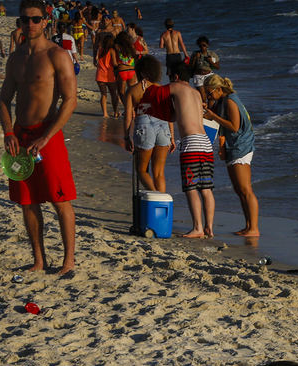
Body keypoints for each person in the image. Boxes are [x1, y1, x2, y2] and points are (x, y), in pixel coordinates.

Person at [0, 0, 78, 276]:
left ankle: (68, 263)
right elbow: (4, 100)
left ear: (45, 21)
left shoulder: (57, 55)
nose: (29, 24)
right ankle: (39, 261)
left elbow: (70, 100)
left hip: (48, 134)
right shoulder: (16, 58)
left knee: (60, 199)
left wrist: (46, 137)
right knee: (27, 201)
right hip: (20, 135)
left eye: (34, 19)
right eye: (24, 20)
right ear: (19, 22)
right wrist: (8, 132)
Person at [204, 74, 259, 238]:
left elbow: (234, 126)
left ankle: (254, 228)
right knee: (239, 190)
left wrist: (213, 117)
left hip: (241, 146)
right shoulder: (223, 101)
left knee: (246, 189)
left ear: (219, 89)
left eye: (210, 93)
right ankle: (248, 225)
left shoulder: (230, 101)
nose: (209, 96)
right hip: (233, 146)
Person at [169, 64, 214, 238]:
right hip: (206, 142)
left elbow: (158, 92)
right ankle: (209, 227)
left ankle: (197, 228)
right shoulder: (196, 93)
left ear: (177, 76)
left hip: (191, 143)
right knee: (206, 188)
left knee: (190, 187)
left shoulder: (176, 87)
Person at [124, 55, 174, 193]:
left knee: (141, 170)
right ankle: (161, 202)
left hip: (144, 125)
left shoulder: (133, 91)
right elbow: (168, 114)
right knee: (159, 173)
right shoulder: (162, 89)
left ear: (140, 71)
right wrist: (173, 137)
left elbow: (128, 116)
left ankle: (155, 197)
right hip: (163, 126)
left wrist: (127, 136)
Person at [92, 31, 118, 118]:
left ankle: (105, 114)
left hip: (100, 75)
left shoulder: (100, 49)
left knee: (103, 95)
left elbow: (96, 60)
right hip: (110, 76)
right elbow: (114, 63)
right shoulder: (111, 50)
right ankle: (115, 112)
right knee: (113, 94)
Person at [188, 35, 218, 100]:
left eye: (204, 45)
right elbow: (190, 67)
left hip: (209, 75)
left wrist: (211, 62)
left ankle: (209, 109)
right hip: (198, 76)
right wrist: (195, 59)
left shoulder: (211, 54)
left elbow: (217, 67)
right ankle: (203, 109)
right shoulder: (195, 54)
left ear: (207, 45)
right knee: (202, 96)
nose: (202, 47)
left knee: (211, 95)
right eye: (200, 46)